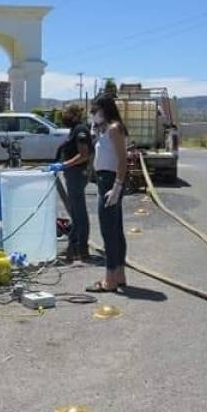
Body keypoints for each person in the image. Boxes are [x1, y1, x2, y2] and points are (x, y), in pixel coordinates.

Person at [86, 95, 128, 293]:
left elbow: (122, 160)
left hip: (111, 181)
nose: (93, 114)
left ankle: (110, 280)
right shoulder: (103, 130)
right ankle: (118, 274)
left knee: (109, 232)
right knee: (115, 229)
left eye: (95, 110)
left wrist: (117, 186)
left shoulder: (114, 129)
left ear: (105, 109)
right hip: (104, 180)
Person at [47, 104, 93, 262]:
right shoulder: (75, 130)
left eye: (66, 113)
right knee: (75, 210)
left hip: (77, 174)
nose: (63, 116)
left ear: (74, 115)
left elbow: (84, 155)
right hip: (73, 174)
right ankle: (74, 247)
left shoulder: (80, 130)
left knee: (78, 212)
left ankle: (80, 248)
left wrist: (64, 165)